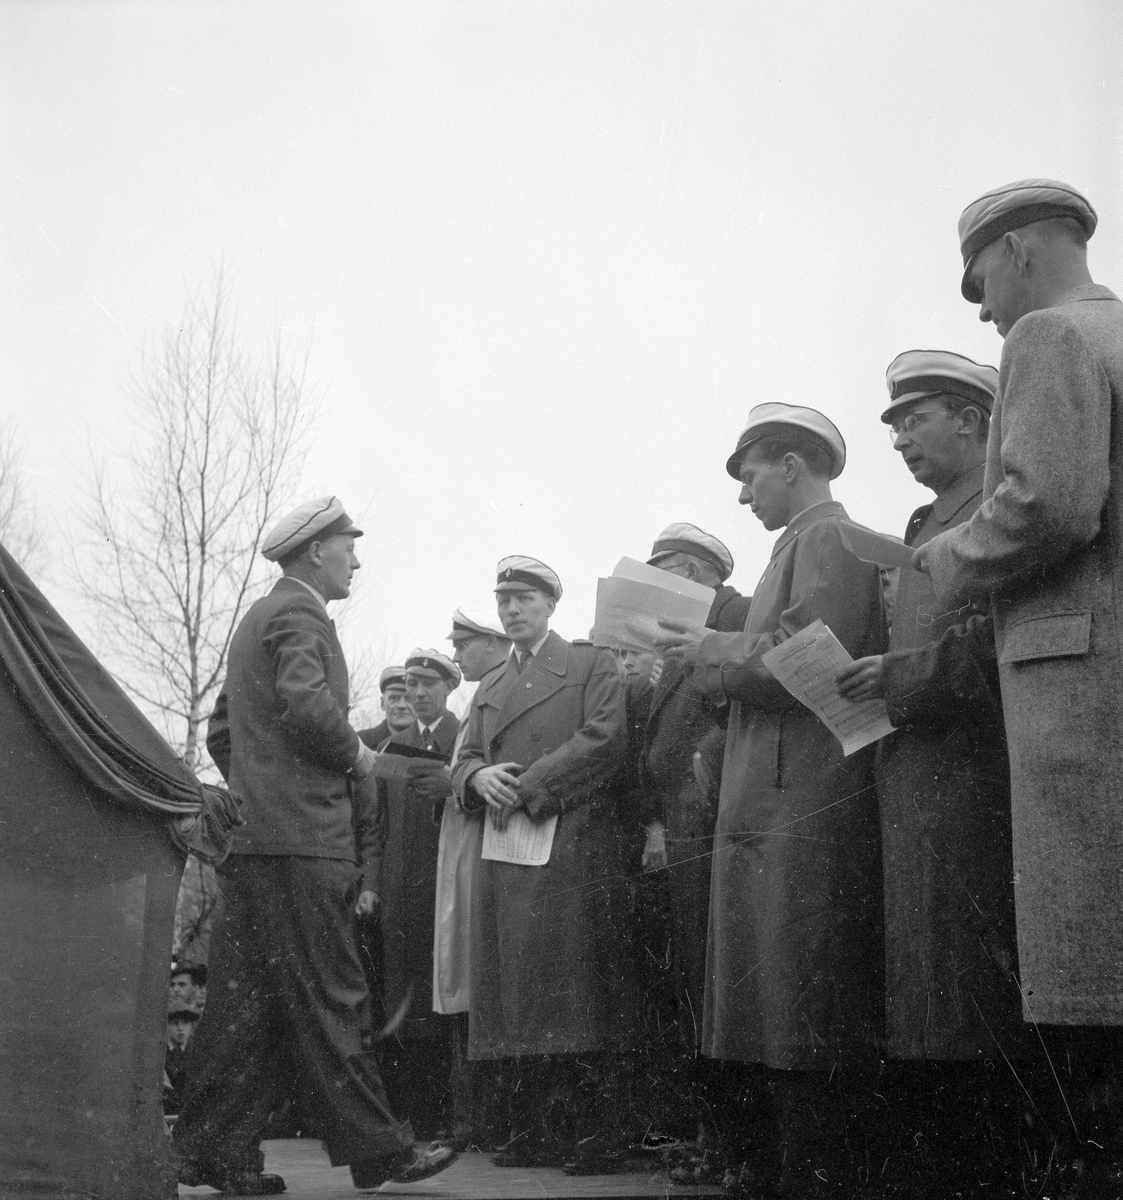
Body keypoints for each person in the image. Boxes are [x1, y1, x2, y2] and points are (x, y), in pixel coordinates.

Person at [914, 179, 1123, 1189]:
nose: (982, 310)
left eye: (979, 281)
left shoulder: (1048, 336)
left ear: (1020, 251)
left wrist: (947, 559)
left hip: (1077, 688)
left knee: (1088, 970)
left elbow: (1048, 504)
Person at [172, 496, 456, 1195]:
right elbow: (307, 703)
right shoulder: (302, 615)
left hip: (255, 844)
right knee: (335, 995)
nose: (355, 561)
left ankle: (213, 1152)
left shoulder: (256, 619)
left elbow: (223, 731)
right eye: (348, 548)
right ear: (315, 552)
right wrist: (356, 762)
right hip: (307, 844)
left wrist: (259, 789)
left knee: (244, 1006)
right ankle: (380, 1152)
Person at [656, 405, 886, 1198]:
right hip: (773, 798)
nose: (743, 492)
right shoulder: (796, 544)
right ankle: (772, 1166)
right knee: (772, 993)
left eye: (750, 473)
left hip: (797, 799)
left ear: (792, 466)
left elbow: (804, 654)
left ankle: (800, 1172)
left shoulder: (828, 537)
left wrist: (708, 648)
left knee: (795, 994)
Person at [836, 350, 1024, 1189]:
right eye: (894, 427)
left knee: (965, 989)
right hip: (911, 775)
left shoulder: (995, 510)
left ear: (972, 420)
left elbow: (1001, 638)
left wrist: (898, 676)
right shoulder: (922, 523)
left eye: (914, 421)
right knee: (923, 984)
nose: (900, 440)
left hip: (970, 780)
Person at [451, 556, 632, 1172]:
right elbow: (465, 757)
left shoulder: (589, 664)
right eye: (503, 601)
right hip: (505, 851)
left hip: (571, 845)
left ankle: (586, 1130)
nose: (511, 610)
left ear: (551, 605)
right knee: (517, 991)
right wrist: (476, 777)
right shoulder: (490, 685)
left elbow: (605, 738)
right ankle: (534, 1129)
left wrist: (528, 785)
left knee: (572, 987)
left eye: (524, 599)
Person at [633, 524, 750, 1155]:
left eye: (663, 576)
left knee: (716, 972)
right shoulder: (683, 635)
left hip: (716, 816)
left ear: (695, 574)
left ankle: (730, 1139)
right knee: (692, 973)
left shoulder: (736, 616)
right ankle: (712, 1132)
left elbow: (743, 702)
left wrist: (709, 753)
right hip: (683, 821)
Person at [370, 648, 462, 1138]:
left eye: (429, 684)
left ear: (449, 688)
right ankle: (410, 1115)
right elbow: (377, 825)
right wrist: (374, 884)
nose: (418, 693)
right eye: (411, 684)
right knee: (401, 1002)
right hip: (399, 894)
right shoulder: (392, 747)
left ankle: (450, 1114)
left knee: (443, 997)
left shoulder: (462, 740)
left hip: (445, 889)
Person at [437, 607, 514, 1149]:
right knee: (463, 975)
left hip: (486, 846)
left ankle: (485, 1118)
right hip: (464, 844)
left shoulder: (501, 689)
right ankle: (476, 1116)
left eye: (464, 644)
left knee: (477, 974)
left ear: (493, 641)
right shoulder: (481, 694)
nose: (457, 654)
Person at [359, 667, 415, 749]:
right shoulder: (359, 743)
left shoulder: (432, 744)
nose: (401, 705)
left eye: (409, 699)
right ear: (382, 703)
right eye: (394, 698)